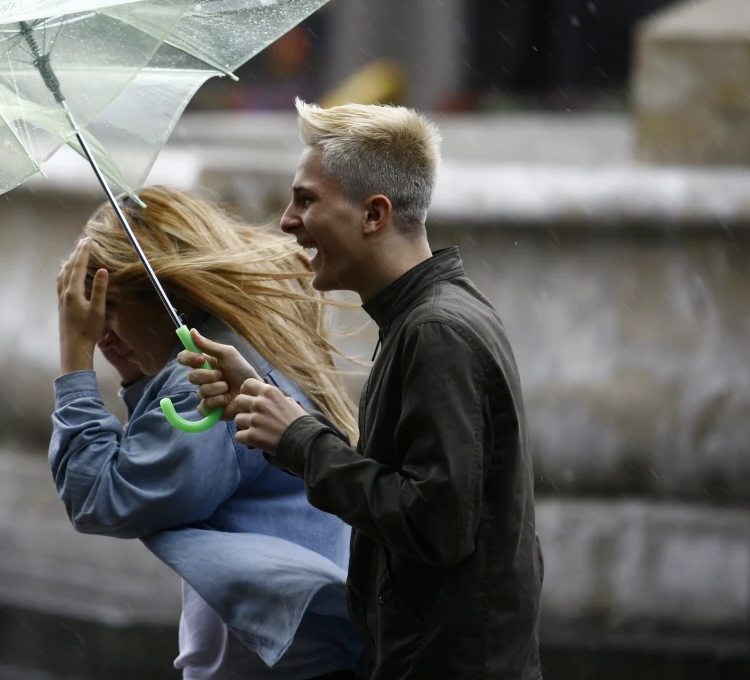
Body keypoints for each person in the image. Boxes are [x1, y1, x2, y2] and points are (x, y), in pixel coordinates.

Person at [178, 100, 544, 680]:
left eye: (306, 200)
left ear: (374, 214)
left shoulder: (436, 331)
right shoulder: (430, 318)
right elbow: (414, 494)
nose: (287, 222)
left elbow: (435, 524)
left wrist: (300, 440)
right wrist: (264, 404)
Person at [50, 186, 367, 680]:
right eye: (91, 319)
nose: (101, 334)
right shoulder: (248, 343)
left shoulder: (204, 377)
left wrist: (75, 356)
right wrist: (136, 373)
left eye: (109, 307)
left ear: (171, 293)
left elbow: (101, 499)